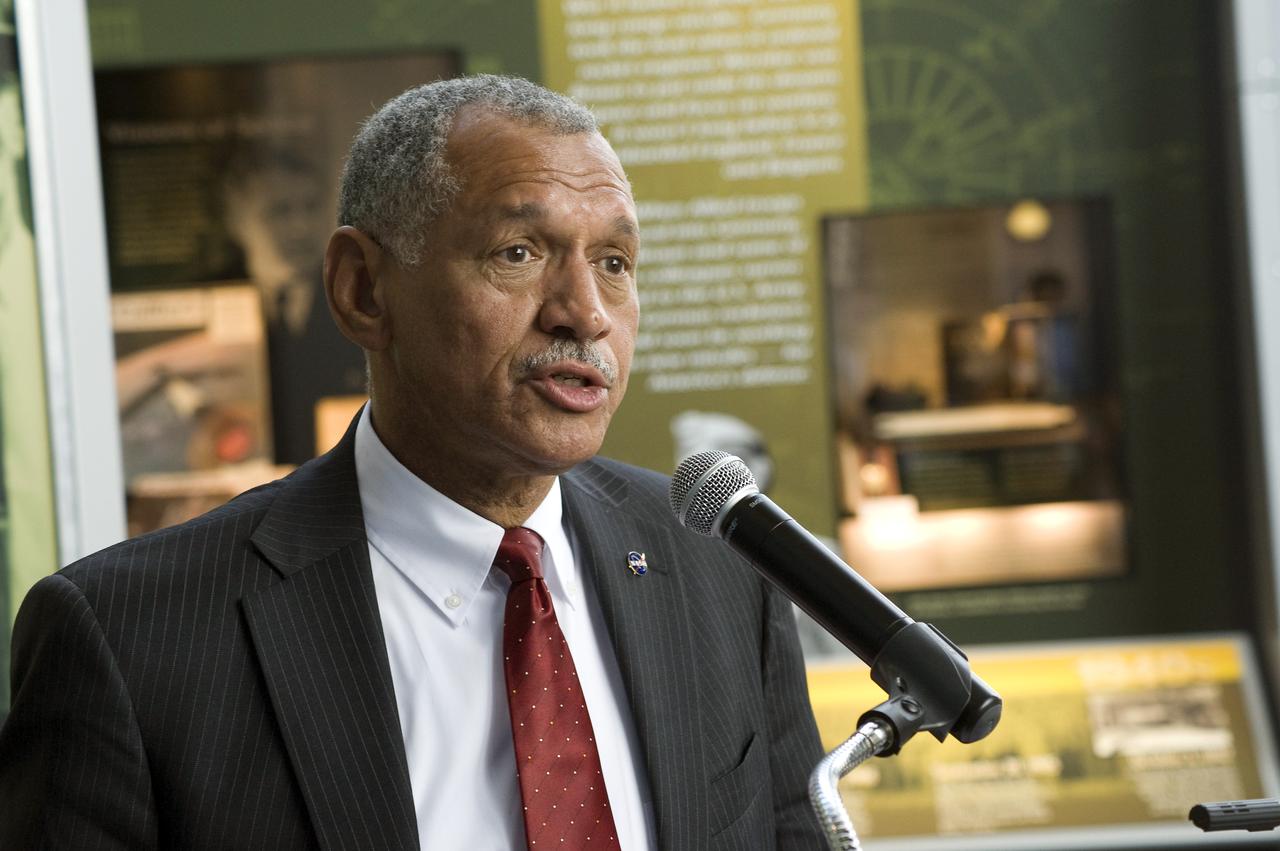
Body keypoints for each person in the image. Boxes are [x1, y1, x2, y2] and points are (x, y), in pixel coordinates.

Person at [0, 75, 823, 850]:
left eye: (614, 262)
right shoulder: (131, 636)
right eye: (519, 252)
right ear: (363, 290)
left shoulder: (719, 562)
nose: (586, 313)